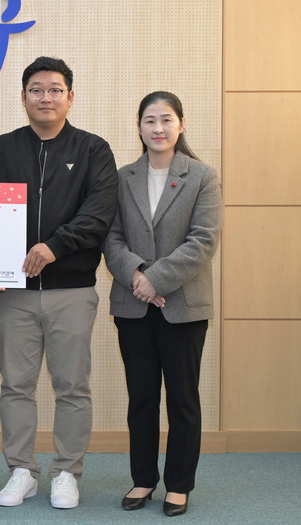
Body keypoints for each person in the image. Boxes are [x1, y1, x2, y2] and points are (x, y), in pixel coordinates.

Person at [0, 56, 117, 509]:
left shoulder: (93, 149)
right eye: (36, 90)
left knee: (72, 386)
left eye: (55, 90)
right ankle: (22, 470)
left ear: (70, 97)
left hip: (72, 290)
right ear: (23, 97)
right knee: (15, 385)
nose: (46, 98)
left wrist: (54, 246)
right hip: (14, 295)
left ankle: (66, 472)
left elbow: (99, 214)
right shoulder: (0, 150)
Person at [103, 91, 221, 517]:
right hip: (133, 306)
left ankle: (179, 485)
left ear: (181, 125)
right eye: (150, 120)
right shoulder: (122, 178)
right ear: (138, 127)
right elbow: (111, 237)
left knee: (183, 399)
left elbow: (203, 241)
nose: (158, 128)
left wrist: (155, 279)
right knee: (141, 398)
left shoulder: (202, 176)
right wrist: (137, 275)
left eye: (166, 119)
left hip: (183, 306)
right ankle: (143, 479)